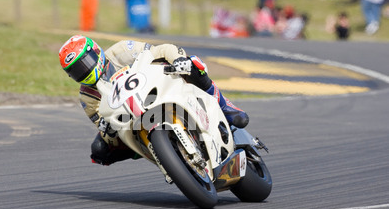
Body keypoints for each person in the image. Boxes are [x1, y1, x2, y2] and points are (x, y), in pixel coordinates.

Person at [58, 36, 250, 166]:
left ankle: (226, 107)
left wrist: (177, 60)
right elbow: (101, 124)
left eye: (85, 63)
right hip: (131, 118)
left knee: (192, 65)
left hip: (159, 84)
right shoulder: (87, 97)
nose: (84, 71)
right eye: (76, 71)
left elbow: (160, 51)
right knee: (99, 150)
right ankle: (161, 155)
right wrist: (107, 131)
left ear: (96, 52)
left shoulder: (120, 51)